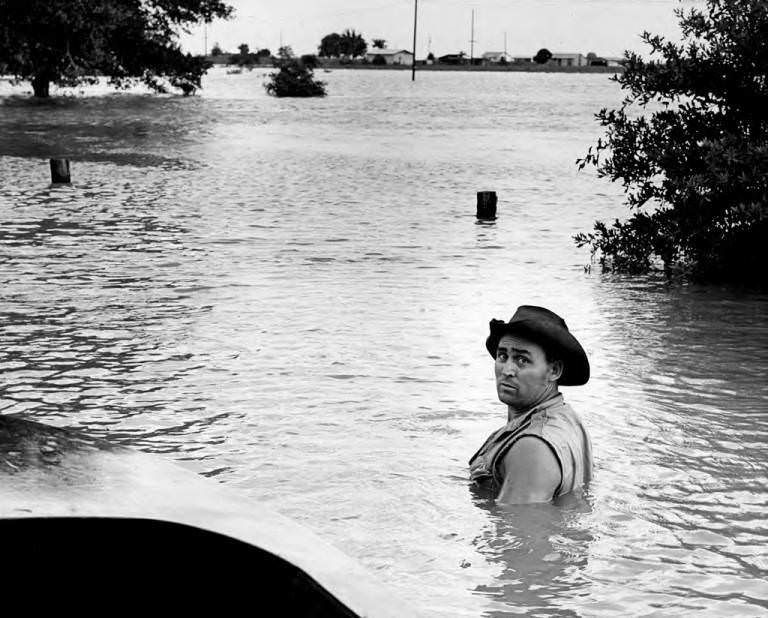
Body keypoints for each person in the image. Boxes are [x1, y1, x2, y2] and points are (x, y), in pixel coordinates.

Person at [469, 305, 593, 504]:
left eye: (522, 359)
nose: (507, 369)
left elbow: (517, 531)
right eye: (503, 356)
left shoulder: (532, 447)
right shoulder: (567, 417)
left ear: (554, 370)